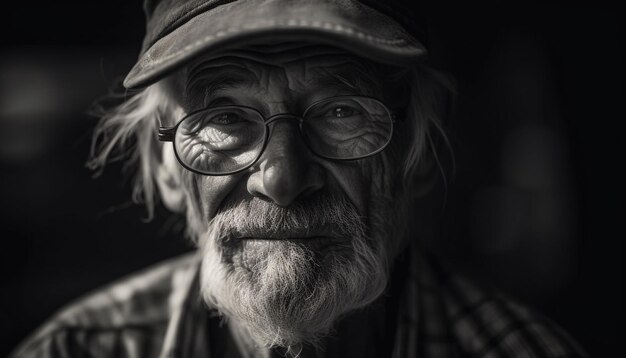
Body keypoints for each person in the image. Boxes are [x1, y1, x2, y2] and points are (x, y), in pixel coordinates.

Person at [11, 0, 588, 357]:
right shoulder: (73, 350)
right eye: (226, 118)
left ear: (416, 155)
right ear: (167, 167)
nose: (282, 179)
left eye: (341, 112)